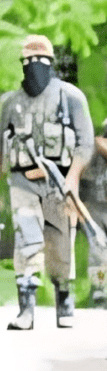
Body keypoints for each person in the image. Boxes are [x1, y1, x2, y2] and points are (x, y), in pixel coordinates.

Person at [0, 35, 94, 329]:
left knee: (60, 242)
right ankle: (26, 308)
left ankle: (64, 299)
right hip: (22, 181)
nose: (34, 65)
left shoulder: (70, 97)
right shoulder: (10, 102)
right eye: (29, 61)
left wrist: (73, 177)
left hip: (58, 181)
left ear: (51, 63)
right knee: (27, 239)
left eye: (40, 60)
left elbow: (85, 143)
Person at [81, 120, 107, 308]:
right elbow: (83, 172)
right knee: (98, 251)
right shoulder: (95, 147)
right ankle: (99, 291)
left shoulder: (99, 144)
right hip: (96, 205)